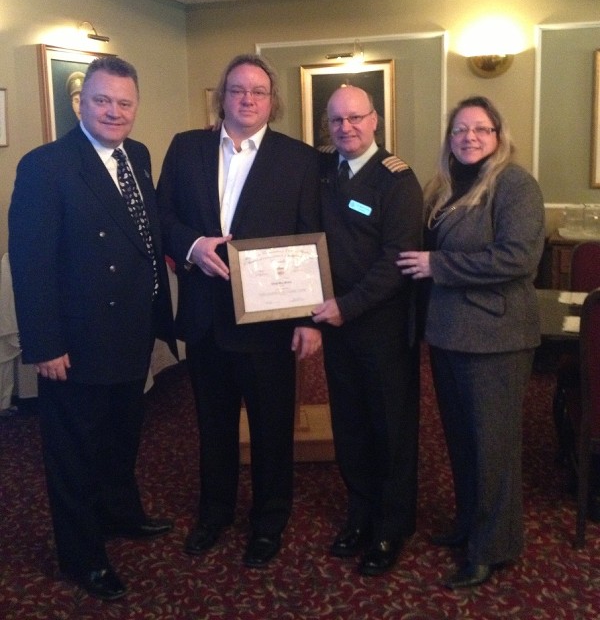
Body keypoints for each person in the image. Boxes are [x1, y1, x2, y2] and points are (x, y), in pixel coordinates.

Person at [8, 56, 176, 601]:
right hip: (75, 342)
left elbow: (144, 235)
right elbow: (29, 262)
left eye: (125, 103)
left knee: (123, 440)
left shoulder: (139, 156)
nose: (114, 111)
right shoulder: (46, 165)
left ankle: (121, 513)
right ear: (80, 103)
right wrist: (45, 343)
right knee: (74, 453)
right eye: (102, 100)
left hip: (131, 331)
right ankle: (82, 556)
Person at [156, 53, 322, 568]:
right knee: (213, 424)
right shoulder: (186, 148)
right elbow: (163, 215)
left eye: (258, 91)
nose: (247, 99)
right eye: (237, 90)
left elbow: (311, 240)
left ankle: (269, 521)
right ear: (221, 97)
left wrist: (306, 319)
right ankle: (215, 514)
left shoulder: (299, 159)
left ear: (273, 102)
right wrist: (191, 246)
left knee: (273, 430)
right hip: (206, 319)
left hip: (269, 324)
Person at [397, 95, 545, 589]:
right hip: (447, 333)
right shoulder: (441, 186)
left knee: (493, 446)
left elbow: (517, 258)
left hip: (496, 336)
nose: (469, 137)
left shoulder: (515, 185)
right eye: (460, 130)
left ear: (499, 136)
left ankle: (493, 546)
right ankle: (468, 525)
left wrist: (439, 266)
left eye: (480, 129)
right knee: (461, 441)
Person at [311, 85, 423, 576]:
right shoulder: (321, 173)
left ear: (375, 120)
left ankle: (392, 524)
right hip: (338, 327)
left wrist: (346, 306)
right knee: (350, 425)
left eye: (356, 118)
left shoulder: (397, 180)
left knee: (390, 427)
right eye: (337, 120)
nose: (346, 128)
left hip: (381, 327)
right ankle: (360, 512)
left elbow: (396, 263)